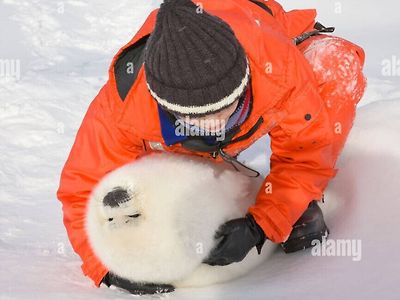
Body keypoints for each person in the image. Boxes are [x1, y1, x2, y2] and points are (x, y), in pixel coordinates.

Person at [56, 0, 366, 295]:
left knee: (334, 62)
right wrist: (107, 267)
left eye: (223, 108)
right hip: (177, 138)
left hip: (265, 68)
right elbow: (82, 187)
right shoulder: (124, 104)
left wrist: (264, 224)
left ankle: (299, 202)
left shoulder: (278, 69)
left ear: (242, 85)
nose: (213, 123)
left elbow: (305, 154)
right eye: (195, 116)